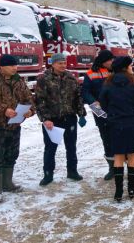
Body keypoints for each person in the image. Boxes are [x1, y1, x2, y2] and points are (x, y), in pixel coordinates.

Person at [0, 54, 35, 203]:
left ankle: (7, 184)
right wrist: (4, 110)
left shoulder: (19, 81)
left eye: (16, 65)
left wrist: (30, 110)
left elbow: (28, 98)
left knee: (11, 154)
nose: (15, 68)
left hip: (15, 125)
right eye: (11, 66)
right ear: (1, 67)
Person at [99, 56, 134, 202]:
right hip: (133, 122)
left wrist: (112, 115)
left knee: (119, 156)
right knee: (132, 155)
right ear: (126, 67)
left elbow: (102, 103)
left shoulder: (108, 83)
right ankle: (132, 189)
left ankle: (119, 191)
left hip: (116, 124)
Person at [35, 53, 87, 186]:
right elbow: (39, 101)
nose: (63, 65)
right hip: (52, 120)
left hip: (69, 118)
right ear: (53, 64)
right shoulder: (44, 79)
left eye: (64, 63)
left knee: (71, 146)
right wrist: (45, 119)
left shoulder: (71, 78)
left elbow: (78, 97)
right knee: (50, 148)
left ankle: (72, 171)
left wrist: (81, 114)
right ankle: (48, 174)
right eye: (60, 63)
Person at [82, 50, 115, 180]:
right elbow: (85, 92)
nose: (112, 62)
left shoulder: (116, 71)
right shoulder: (90, 74)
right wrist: (93, 102)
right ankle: (112, 167)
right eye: (109, 60)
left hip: (116, 110)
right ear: (103, 61)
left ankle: (129, 167)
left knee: (122, 139)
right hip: (100, 111)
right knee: (106, 139)